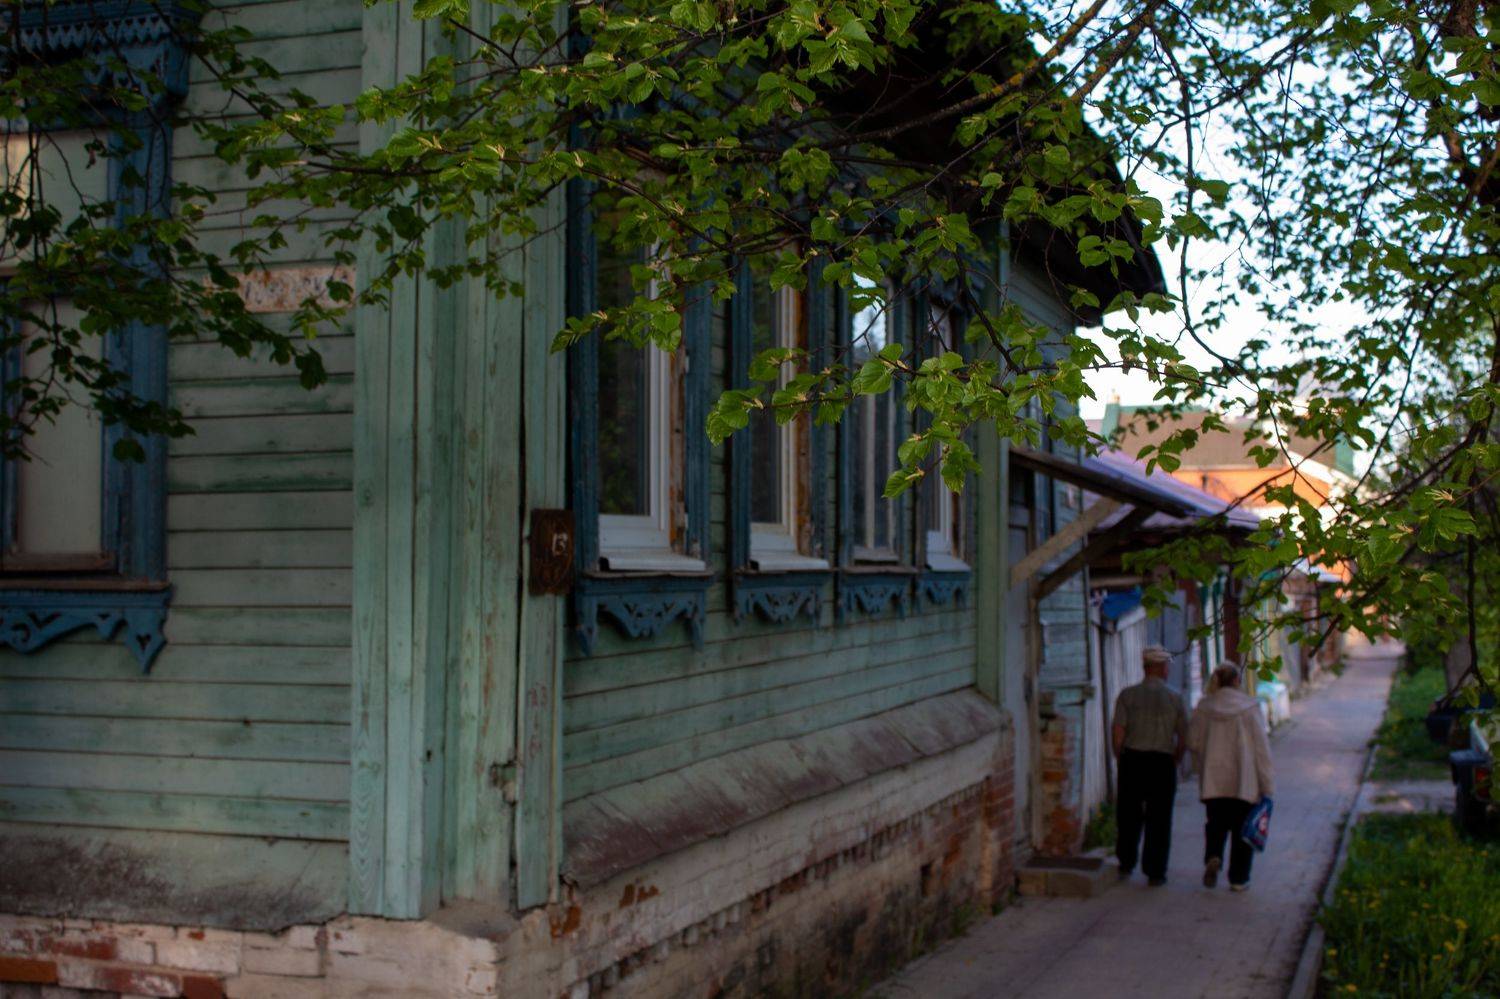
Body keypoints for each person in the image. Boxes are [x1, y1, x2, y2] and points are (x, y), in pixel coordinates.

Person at [1188, 663, 1276, 892]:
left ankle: (1213, 855)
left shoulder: (1204, 707)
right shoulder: (1250, 707)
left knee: (1215, 823)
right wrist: (1267, 785)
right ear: (1237, 680)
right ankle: (1238, 879)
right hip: (1244, 782)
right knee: (1241, 830)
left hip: (1213, 781)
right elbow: (1261, 750)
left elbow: (1192, 742)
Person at [1112, 645, 1189, 886]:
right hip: (1162, 763)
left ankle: (1126, 863)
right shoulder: (1175, 698)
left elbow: (1118, 732)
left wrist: (1120, 757)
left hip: (1133, 760)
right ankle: (1155, 872)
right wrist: (1176, 758)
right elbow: (1183, 736)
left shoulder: (1127, 695)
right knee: (1160, 818)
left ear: (1145, 667)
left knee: (1129, 815)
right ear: (1162, 668)